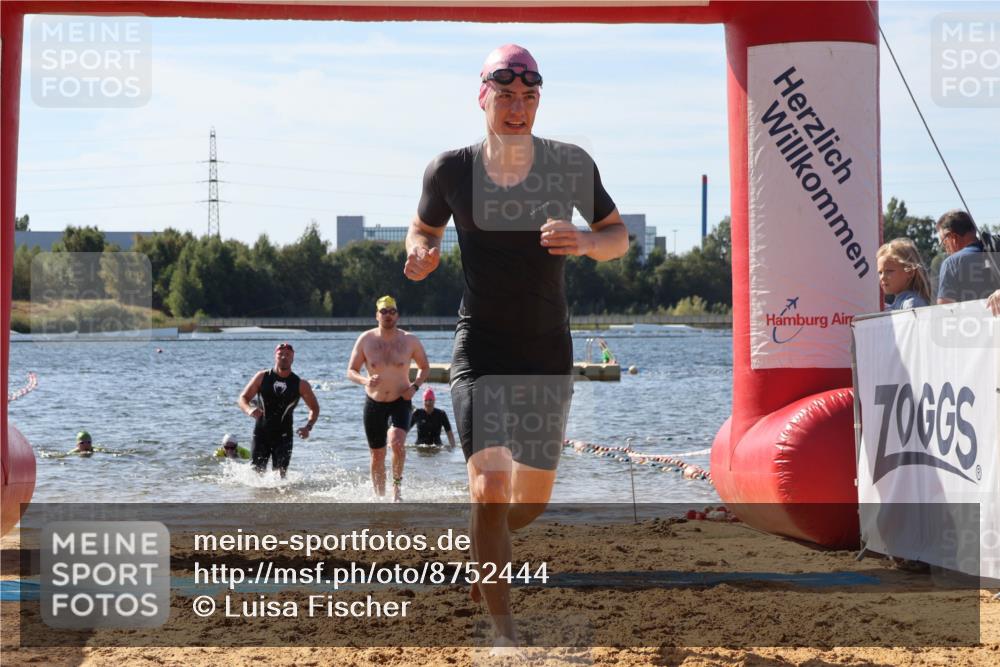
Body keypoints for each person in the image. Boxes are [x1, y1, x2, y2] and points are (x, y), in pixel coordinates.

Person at [403, 44, 628, 647]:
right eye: (505, 95)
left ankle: (485, 546)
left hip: (546, 351)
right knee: (491, 487)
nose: (517, 108)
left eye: (528, 97)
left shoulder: (569, 164)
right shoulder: (450, 170)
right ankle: (504, 637)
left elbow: (618, 236)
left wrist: (584, 241)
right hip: (480, 348)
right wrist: (420, 252)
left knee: (525, 504)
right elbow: (423, 227)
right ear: (483, 97)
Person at [347, 296, 431, 501]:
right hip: (373, 404)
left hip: (400, 401)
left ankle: (396, 491)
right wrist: (365, 380)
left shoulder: (410, 340)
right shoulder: (366, 340)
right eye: (384, 311)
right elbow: (351, 371)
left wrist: (415, 387)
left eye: (392, 311)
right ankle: (379, 496)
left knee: (397, 443)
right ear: (377, 315)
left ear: (398, 315)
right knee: (377, 455)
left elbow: (424, 367)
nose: (388, 315)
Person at [238, 342, 319, 477]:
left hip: (284, 435)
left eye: (287, 355)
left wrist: (308, 427)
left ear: (293, 358)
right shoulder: (262, 377)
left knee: (280, 476)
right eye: (280, 354)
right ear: (275, 356)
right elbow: (243, 398)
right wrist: (249, 410)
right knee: (256, 475)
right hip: (261, 433)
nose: (283, 357)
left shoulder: (300, 384)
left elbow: (314, 408)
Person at [936, 209, 1000, 304]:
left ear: (953, 238)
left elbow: (944, 309)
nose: (946, 250)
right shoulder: (995, 250)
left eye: (944, 243)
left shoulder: (951, 264)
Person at [876, 238, 932, 310]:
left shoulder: (912, 304)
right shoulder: (901, 303)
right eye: (880, 272)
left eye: (889, 271)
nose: (882, 277)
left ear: (910, 272)